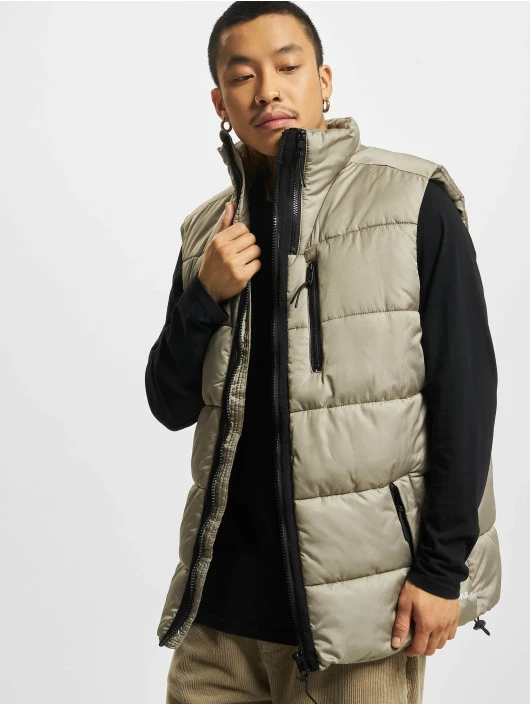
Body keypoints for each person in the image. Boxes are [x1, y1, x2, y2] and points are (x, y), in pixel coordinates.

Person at [144, 3, 501, 703]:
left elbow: (465, 394)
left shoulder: (411, 202)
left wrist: (441, 570)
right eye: (242, 76)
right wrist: (204, 296)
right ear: (220, 102)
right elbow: (169, 401)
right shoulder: (207, 232)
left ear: (324, 81)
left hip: (362, 618)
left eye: (288, 66)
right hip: (219, 619)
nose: (267, 90)